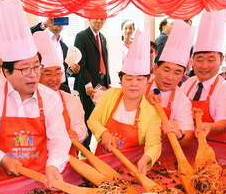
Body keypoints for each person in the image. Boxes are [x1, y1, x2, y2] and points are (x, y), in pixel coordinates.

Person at [0, 0, 70, 187]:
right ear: (7, 72)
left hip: (39, 182)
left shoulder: (49, 97)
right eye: (25, 69)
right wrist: (3, 159)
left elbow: (59, 139)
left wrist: (53, 166)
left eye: (37, 67)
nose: (33, 75)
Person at [88, 28, 161, 173]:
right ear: (120, 80)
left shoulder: (151, 112)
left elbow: (154, 144)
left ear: (148, 81)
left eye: (140, 79)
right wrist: (104, 133)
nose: (134, 83)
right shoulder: (110, 95)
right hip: (101, 164)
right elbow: (93, 120)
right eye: (128, 78)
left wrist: (146, 158)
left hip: (130, 168)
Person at [180, 10, 226, 143]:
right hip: (187, 144)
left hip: (215, 146)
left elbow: (223, 121)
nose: (204, 65)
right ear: (192, 60)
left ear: (221, 59)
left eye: (211, 60)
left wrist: (209, 126)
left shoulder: (225, 89)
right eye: (200, 59)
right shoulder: (188, 84)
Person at [33, 30, 87, 150]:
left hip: (67, 159)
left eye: (58, 73)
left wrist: (75, 133)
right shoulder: (29, 101)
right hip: (37, 159)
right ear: (37, 76)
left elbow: (81, 127)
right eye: (48, 74)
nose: (54, 79)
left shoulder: (71, 100)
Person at [146, 20, 196, 149]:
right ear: (156, 68)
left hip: (161, 153)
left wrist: (179, 134)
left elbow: (188, 139)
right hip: (131, 149)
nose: (170, 77)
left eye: (177, 72)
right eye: (166, 70)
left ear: (183, 75)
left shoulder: (182, 101)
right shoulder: (140, 85)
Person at [73, 18, 110, 147]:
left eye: (102, 19)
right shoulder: (82, 36)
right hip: (87, 85)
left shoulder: (103, 37)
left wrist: (108, 82)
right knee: (87, 115)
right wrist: (88, 84)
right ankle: (85, 146)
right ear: (89, 19)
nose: (99, 21)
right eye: (96, 18)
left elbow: (104, 61)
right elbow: (80, 63)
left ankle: (100, 144)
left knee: (100, 116)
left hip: (101, 84)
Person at [30, 17, 75, 92]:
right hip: (43, 87)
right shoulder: (39, 38)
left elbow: (64, 69)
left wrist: (71, 70)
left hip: (62, 87)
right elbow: (27, 35)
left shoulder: (64, 46)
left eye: (61, 19)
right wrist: (44, 25)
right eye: (55, 19)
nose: (58, 22)